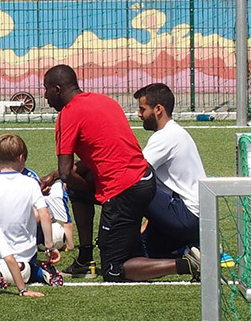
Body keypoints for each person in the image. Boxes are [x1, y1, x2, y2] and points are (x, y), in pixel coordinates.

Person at [41, 64, 197, 283]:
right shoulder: (104, 100)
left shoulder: (67, 115)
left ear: (57, 89)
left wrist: (92, 191)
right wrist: (56, 176)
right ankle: (85, 257)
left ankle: (186, 264)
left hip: (124, 190)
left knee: (114, 271)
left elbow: (67, 173)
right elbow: (100, 154)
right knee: (81, 191)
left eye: (46, 89)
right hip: (144, 183)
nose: (44, 96)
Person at [133, 83, 205, 262]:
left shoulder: (166, 136)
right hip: (194, 217)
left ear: (158, 109)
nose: (139, 114)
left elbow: (135, 174)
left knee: (130, 184)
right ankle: (189, 248)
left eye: (143, 109)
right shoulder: (175, 132)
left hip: (187, 216)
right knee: (146, 254)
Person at [0, 133, 61, 286]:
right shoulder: (30, 183)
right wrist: (49, 247)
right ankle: (36, 270)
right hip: (26, 252)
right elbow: (44, 214)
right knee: (24, 265)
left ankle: (6, 275)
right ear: (21, 157)